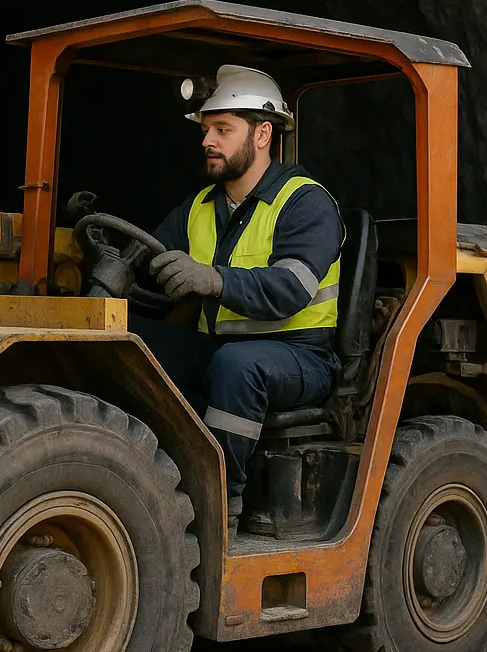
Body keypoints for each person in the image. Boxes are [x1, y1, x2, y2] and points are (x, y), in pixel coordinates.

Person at [133, 64, 344, 533]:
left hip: (301, 357)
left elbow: (291, 289)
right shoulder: (199, 207)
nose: (208, 140)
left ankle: (219, 503)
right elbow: (143, 265)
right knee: (127, 342)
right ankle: (137, 478)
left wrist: (211, 280)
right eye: (207, 130)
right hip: (217, 349)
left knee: (238, 367)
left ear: (263, 133)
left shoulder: (305, 202)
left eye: (223, 130)